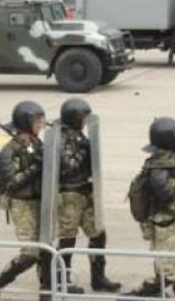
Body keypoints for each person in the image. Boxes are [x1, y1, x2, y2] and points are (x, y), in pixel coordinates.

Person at [120, 118, 175, 298]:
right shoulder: (159, 170)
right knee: (167, 273)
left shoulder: (169, 160)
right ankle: (139, 296)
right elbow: (171, 198)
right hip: (167, 225)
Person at [0, 101, 49, 301]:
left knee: (45, 250)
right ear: (26, 123)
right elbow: (11, 183)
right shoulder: (9, 151)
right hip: (22, 204)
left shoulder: (36, 144)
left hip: (39, 201)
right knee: (30, 253)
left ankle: (47, 292)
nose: (41, 125)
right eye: (37, 122)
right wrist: (35, 168)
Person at [54, 99, 120, 294]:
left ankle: (98, 278)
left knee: (98, 233)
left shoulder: (78, 136)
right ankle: (62, 280)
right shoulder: (63, 139)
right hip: (69, 195)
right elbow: (69, 166)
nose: (85, 121)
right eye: (83, 117)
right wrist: (85, 149)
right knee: (67, 238)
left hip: (84, 192)